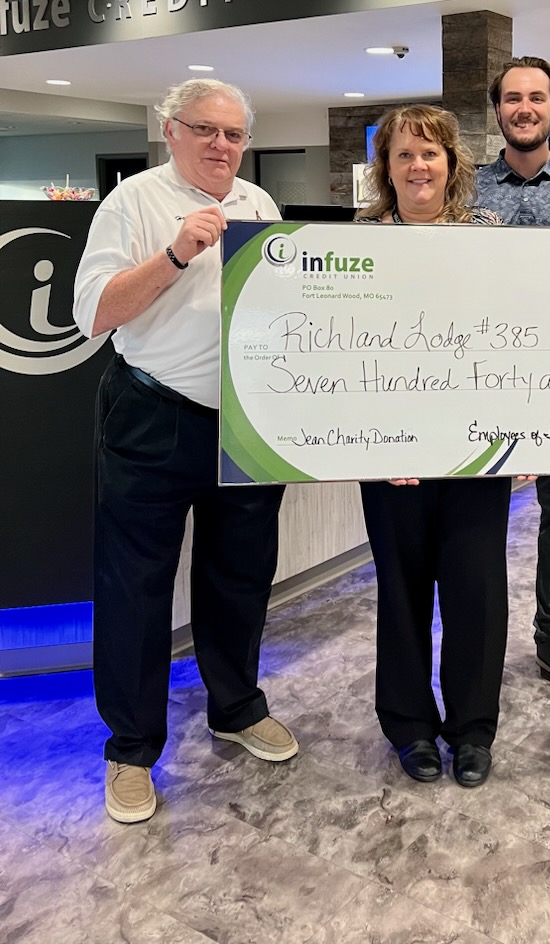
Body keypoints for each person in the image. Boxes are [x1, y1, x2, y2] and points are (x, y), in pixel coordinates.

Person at [74, 78, 297, 825]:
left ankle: (236, 706)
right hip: (153, 414)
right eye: (205, 130)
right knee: (135, 584)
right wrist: (174, 255)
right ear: (170, 131)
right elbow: (94, 315)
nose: (221, 146)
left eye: (234, 135)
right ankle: (131, 750)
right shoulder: (132, 202)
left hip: (245, 420)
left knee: (240, 575)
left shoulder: (260, 207)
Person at [357, 103, 512, 789]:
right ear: (384, 169)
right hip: (392, 457)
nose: (418, 166)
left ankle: (473, 731)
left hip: (475, 451)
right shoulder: (360, 239)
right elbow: (345, 356)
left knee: (478, 592)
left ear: (452, 163)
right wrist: (378, 443)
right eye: (403, 155)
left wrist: (519, 434)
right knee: (401, 591)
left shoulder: (489, 232)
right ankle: (410, 727)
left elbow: (514, 334)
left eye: (430, 153)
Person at [475, 55, 550, 702]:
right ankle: (478, 645)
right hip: (481, 379)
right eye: (512, 98)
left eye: (536, 98)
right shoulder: (466, 190)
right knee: (478, 521)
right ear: (498, 110)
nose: (524, 108)